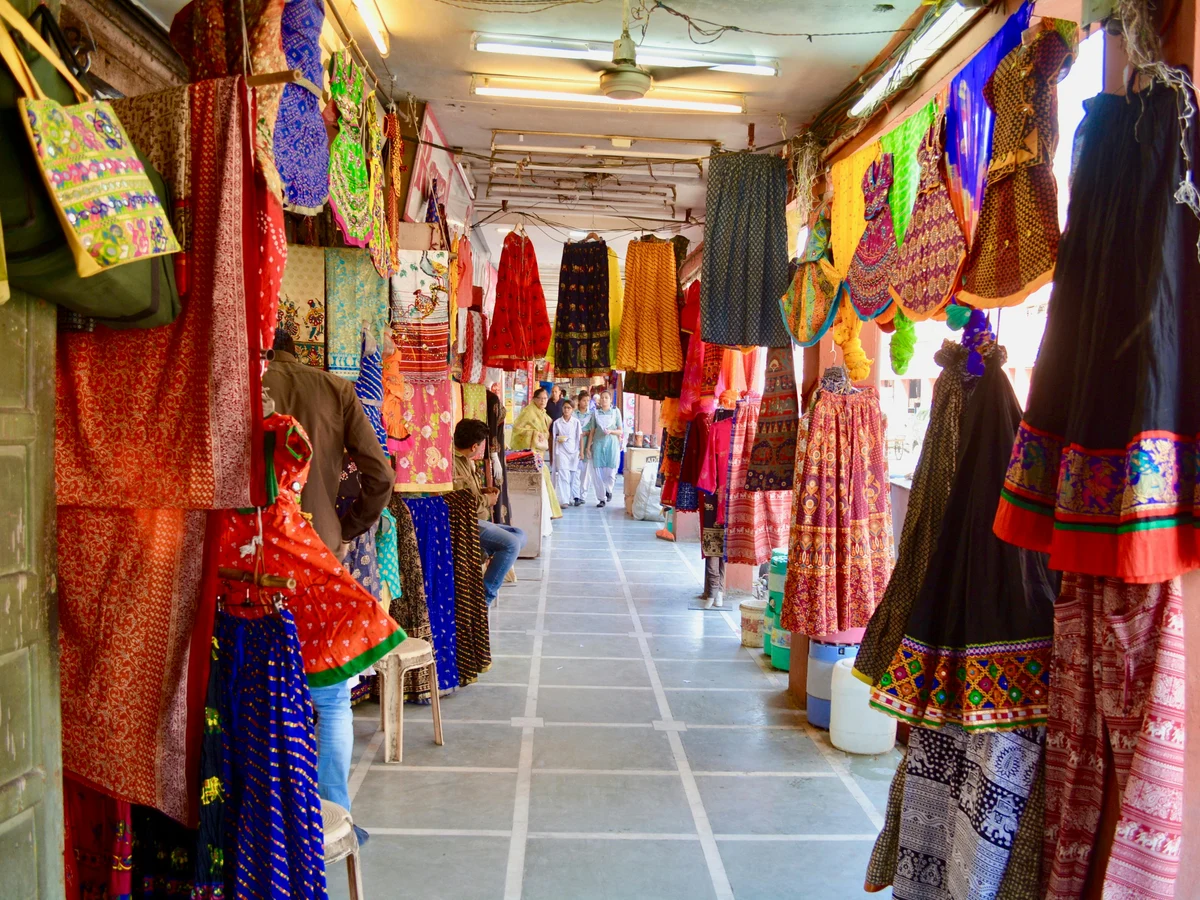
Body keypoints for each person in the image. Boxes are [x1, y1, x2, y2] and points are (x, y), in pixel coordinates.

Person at [262, 328, 393, 845]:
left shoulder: (238, 381)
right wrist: (346, 528)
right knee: (331, 697)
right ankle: (332, 820)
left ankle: (266, 824)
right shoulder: (335, 389)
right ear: (299, 348)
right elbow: (380, 474)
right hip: (316, 550)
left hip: (243, 554)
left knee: (250, 688)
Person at [452, 418, 527, 605]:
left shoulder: (467, 461)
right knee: (511, 545)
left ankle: (484, 551)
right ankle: (484, 598)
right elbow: (459, 503)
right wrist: (488, 500)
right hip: (467, 522)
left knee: (519, 534)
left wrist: (483, 492)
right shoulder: (452, 464)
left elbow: (470, 493)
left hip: (480, 520)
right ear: (474, 446)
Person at [509, 387, 562, 518]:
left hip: (540, 451)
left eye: (545, 398)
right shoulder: (529, 411)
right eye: (541, 398)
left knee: (544, 478)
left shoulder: (542, 412)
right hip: (530, 452)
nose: (544, 401)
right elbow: (517, 429)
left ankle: (547, 511)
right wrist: (534, 434)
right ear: (534, 399)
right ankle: (541, 512)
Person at [588, 390, 624, 507]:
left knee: (611, 472)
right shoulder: (596, 413)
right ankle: (601, 498)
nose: (604, 400)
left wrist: (611, 431)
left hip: (612, 444)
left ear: (610, 400)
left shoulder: (615, 412)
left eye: (606, 398)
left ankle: (609, 490)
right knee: (598, 472)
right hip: (598, 444)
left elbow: (620, 430)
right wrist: (588, 447)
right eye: (602, 398)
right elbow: (592, 431)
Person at [551, 400, 584, 506]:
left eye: (569, 408)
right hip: (561, 451)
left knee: (573, 475)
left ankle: (573, 496)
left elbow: (580, 437)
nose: (566, 410)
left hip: (574, 451)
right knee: (563, 474)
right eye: (565, 407)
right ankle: (564, 500)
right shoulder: (557, 423)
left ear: (572, 409)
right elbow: (554, 437)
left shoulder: (576, 422)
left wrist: (581, 451)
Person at [575, 389, 595, 502]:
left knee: (586, 471)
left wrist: (586, 434)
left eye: (588, 400)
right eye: (584, 400)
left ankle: (583, 494)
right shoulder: (574, 414)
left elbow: (593, 430)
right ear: (579, 401)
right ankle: (576, 494)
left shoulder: (591, 415)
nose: (586, 403)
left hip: (587, 443)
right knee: (576, 470)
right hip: (575, 445)